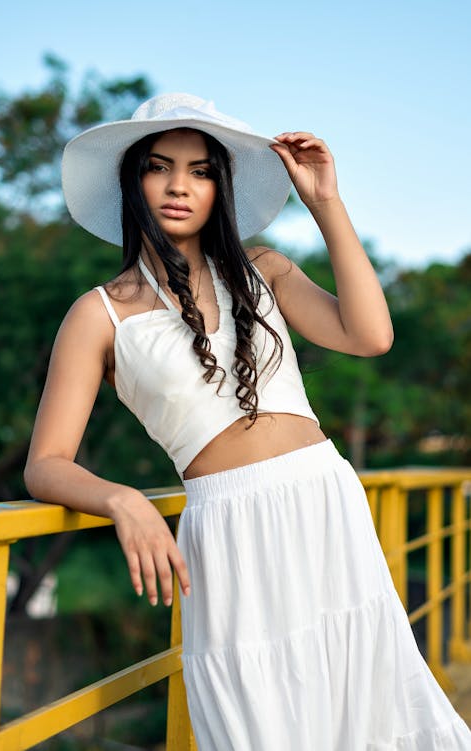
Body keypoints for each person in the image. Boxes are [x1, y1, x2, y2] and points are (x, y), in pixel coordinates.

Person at [24, 93, 471, 750]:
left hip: (324, 500)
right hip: (228, 531)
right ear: (132, 179)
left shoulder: (264, 270)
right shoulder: (97, 315)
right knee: (263, 718)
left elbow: (371, 334)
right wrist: (123, 500)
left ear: (219, 187)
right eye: (158, 165)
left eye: (201, 170)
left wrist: (325, 203)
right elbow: (46, 462)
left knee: (367, 705)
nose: (180, 185)